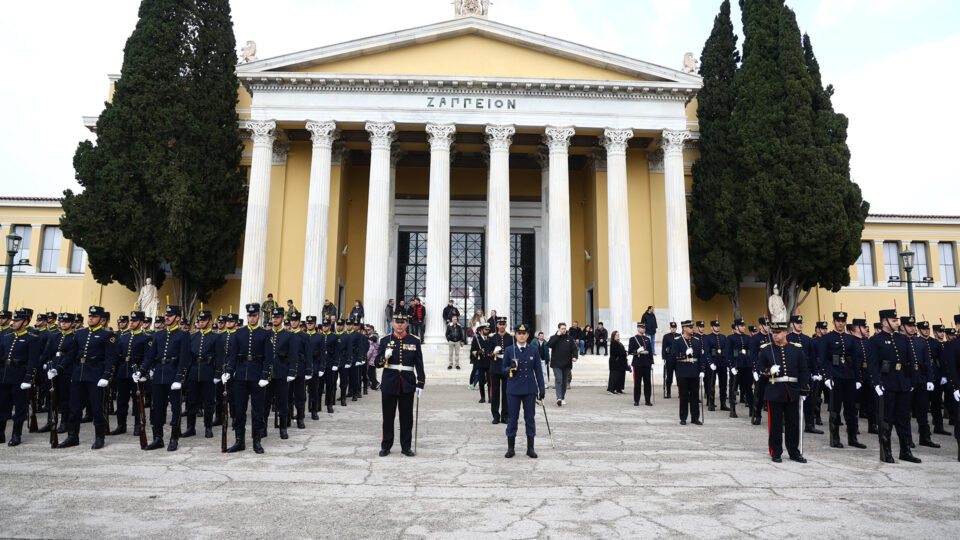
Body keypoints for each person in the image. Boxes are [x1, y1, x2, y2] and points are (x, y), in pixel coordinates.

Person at [135, 305, 191, 451]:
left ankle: (174, 438)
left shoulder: (183, 335)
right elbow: (150, 356)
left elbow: (185, 359)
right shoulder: (158, 335)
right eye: (166, 315)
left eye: (170, 315)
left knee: (176, 407)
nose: (166, 317)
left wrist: (179, 378)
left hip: (173, 375)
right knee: (157, 407)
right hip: (159, 374)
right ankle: (158, 438)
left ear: (177, 318)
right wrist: (141, 371)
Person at [868, 308, 921, 463]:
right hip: (886, 384)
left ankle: (905, 451)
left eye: (897, 320)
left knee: (904, 418)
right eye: (894, 320)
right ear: (885, 322)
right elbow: (872, 364)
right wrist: (876, 383)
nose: (897, 323)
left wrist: (912, 381)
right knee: (886, 419)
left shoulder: (902, 339)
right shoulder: (875, 340)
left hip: (902, 384)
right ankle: (886, 451)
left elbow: (910, 361)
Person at [758, 320, 810, 463]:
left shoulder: (796, 349)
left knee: (793, 424)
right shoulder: (766, 350)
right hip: (774, 391)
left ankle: (794, 451)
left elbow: (803, 371)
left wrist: (804, 389)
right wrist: (769, 371)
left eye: (778, 332)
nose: (775, 335)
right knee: (775, 424)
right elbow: (759, 369)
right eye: (773, 332)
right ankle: (776, 452)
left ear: (786, 332)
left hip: (792, 391)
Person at [375, 313, 425, 457]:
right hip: (390, 383)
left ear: (406, 324)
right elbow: (377, 363)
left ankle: (406, 446)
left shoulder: (414, 341)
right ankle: (386, 445)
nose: (400, 325)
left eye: (402, 322)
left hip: (407, 383)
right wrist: (384, 356)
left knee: (406, 418)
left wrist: (420, 383)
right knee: (388, 417)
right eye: (397, 322)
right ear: (392, 324)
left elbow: (419, 364)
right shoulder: (385, 340)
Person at [502, 324, 545, 459]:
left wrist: (541, 389)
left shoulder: (533, 350)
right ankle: (511, 448)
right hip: (513, 389)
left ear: (527, 335)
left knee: (530, 418)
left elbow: (538, 371)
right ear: (515, 335)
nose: (521, 336)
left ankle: (530, 448)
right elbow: (502, 369)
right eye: (519, 333)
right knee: (512, 418)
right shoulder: (510, 350)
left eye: (524, 333)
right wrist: (510, 369)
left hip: (529, 389)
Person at [817, 311, 859, 449]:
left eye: (843, 321)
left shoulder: (850, 339)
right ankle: (835, 438)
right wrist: (827, 377)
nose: (841, 323)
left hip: (849, 377)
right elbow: (823, 360)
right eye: (838, 321)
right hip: (835, 377)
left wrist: (858, 378)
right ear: (834, 321)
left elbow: (856, 359)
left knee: (851, 409)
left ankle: (852, 438)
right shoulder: (827, 338)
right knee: (835, 408)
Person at [0, 308, 41, 447]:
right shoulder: (7, 335)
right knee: (2, 406)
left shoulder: (32, 338)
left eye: (17, 321)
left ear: (25, 322)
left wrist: (28, 379)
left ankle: (16, 435)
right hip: (5, 375)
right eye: (13, 320)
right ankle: (1, 434)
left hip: (19, 376)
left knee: (19, 408)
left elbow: (33, 361)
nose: (13, 323)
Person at [37, 313, 78, 436]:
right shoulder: (55, 335)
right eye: (61, 321)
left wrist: (59, 369)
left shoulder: (74, 337)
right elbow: (47, 352)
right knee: (51, 396)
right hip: (52, 368)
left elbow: (71, 355)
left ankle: (64, 422)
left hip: (66, 370)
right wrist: (40, 364)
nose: (63, 323)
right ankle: (51, 421)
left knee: (64, 397)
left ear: (72, 323)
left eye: (66, 322)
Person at [184, 310, 221, 439]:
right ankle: (190, 427)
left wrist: (218, 374)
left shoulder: (216, 337)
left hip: (208, 371)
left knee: (209, 402)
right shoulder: (192, 336)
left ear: (210, 322)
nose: (200, 322)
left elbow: (219, 358)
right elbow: (188, 357)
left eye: (204, 320)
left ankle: (208, 427)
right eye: (199, 320)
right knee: (191, 401)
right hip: (194, 372)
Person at [671, 320, 703, 425]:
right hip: (683, 371)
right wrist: (684, 354)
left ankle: (695, 418)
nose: (692, 329)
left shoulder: (696, 340)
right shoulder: (678, 340)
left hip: (694, 372)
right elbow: (674, 355)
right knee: (684, 396)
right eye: (690, 327)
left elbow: (700, 357)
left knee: (695, 396)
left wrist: (702, 369)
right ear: (684, 328)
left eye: (692, 327)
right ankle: (683, 417)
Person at [485, 317, 513, 423]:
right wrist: (493, 352)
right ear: (497, 325)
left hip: (506, 367)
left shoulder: (510, 337)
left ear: (506, 325)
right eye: (500, 324)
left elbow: (513, 351)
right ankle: (495, 416)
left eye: (503, 324)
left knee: (506, 392)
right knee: (495, 393)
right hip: (495, 367)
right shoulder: (492, 337)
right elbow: (487, 352)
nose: (501, 326)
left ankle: (505, 415)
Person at [726, 318, 752, 419]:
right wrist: (731, 366)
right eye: (741, 326)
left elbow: (751, 351)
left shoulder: (748, 338)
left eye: (744, 325)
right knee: (734, 388)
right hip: (736, 366)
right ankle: (733, 409)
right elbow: (728, 354)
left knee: (749, 388)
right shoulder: (730, 338)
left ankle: (751, 408)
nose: (743, 327)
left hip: (747, 366)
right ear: (736, 327)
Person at [547, 322, 578, 406]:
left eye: (565, 328)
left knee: (564, 382)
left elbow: (574, 349)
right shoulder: (554, 337)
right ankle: (559, 398)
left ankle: (562, 397)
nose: (564, 330)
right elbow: (549, 344)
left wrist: (575, 356)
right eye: (562, 329)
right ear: (559, 329)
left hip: (567, 364)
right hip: (556, 364)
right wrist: (557, 335)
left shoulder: (570, 339)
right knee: (559, 379)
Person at [750, 318, 773, 425]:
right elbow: (753, 355)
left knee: (773, 394)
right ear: (760, 326)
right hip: (761, 370)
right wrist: (754, 370)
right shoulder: (755, 338)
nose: (767, 327)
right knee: (759, 395)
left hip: (771, 369)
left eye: (769, 325)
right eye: (765, 325)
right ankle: (757, 415)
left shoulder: (771, 337)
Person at [704, 319, 727, 411]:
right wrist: (710, 363)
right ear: (712, 327)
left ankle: (723, 403)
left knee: (723, 384)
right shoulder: (708, 337)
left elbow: (726, 350)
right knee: (711, 384)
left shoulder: (723, 337)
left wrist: (726, 363)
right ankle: (711, 403)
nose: (717, 327)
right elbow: (707, 352)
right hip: (713, 364)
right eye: (716, 326)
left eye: (718, 326)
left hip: (722, 364)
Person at [628, 323, 654, 406]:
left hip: (646, 364)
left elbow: (650, 352)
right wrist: (637, 351)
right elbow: (630, 351)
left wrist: (651, 363)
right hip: (638, 363)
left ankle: (647, 400)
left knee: (647, 383)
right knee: (637, 383)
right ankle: (636, 400)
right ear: (638, 328)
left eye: (644, 328)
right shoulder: (633, 339)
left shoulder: (647, 339)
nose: (644, 329)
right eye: (642, 327)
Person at [470, 324, 491, 402]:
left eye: (488, 330)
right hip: (481, 362)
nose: (487, 331)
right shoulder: (476, 339)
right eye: (486, 330)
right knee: (481, 381)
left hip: (489, 362)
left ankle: (490, 398)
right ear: (481, 331)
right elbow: (472, 350)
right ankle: (482, 397)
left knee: (489, 381)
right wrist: (478, 352)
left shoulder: (490, 338)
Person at [661, 322, 678, 398]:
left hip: (678, 359)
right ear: (670, 328)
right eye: (672, 327)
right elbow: (663, 348)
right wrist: (664, 358)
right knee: (669, 377)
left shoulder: (679, 336)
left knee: (679, 377)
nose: (673, 329)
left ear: (676, 328)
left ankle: (680, 393)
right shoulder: (666, 336)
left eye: (674, 327)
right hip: (669, 359)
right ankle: (668, 392)